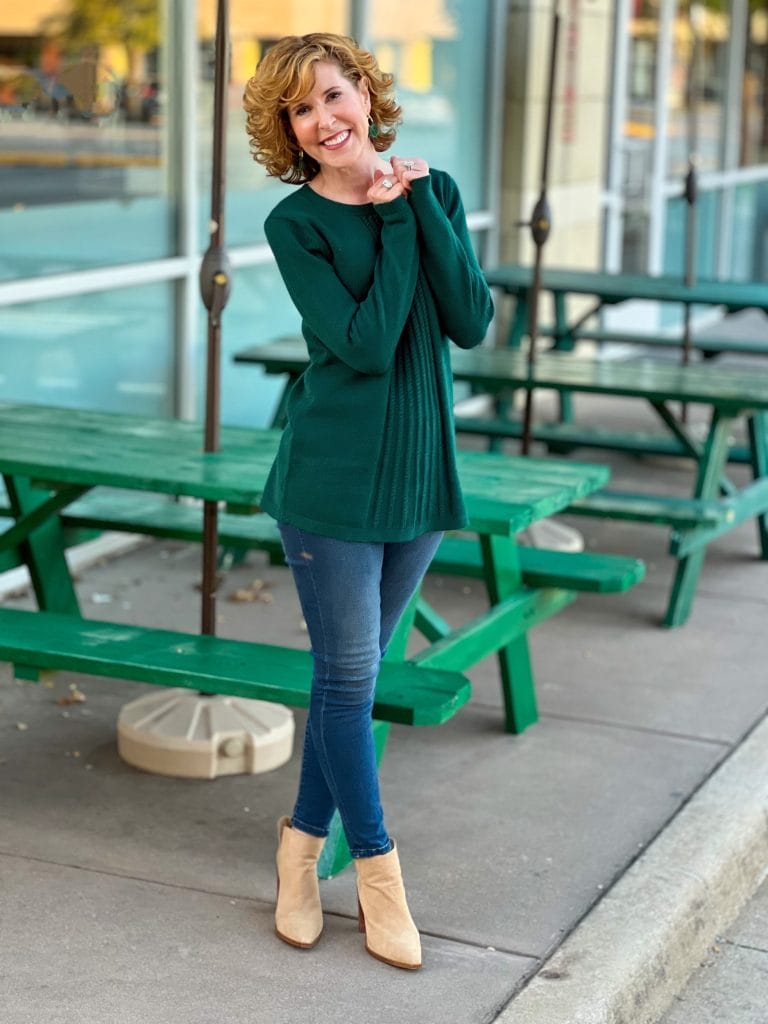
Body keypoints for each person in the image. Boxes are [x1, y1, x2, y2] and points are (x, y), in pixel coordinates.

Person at [242, 32, 493, 971]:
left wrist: (416, 203)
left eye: (333, 96)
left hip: (423, 475)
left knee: (354, 678)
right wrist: (389, 219)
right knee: (350, 681)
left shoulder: (437, 189)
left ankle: (298, 853)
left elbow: (469, 320)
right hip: (333, 484)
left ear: (367, 95)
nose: (323, 120)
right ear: (290, 132)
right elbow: (366, 343)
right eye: (300, 111)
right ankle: (379, 875)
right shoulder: (295, 225)